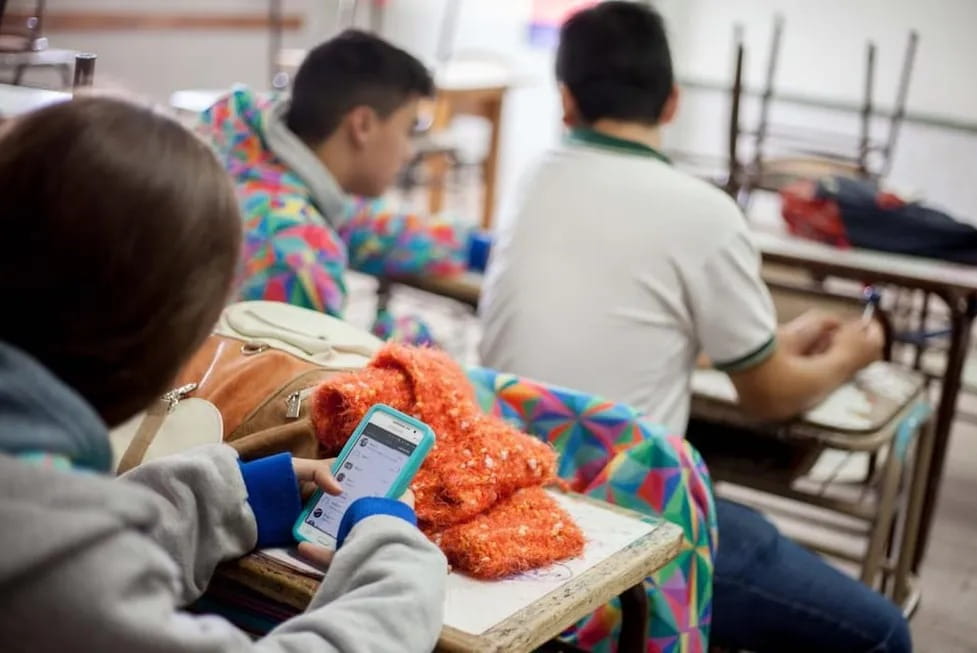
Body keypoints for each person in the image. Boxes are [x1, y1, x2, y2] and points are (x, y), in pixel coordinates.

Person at [478, 3, 910, 652]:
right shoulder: (706, 212)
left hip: (499, 493)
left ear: (565, 101)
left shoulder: (532, 178)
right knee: (883, 632)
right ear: (673, 102)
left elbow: (626, 329)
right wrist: (854, 353)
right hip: (623, 529)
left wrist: (770, 344)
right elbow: (769, 396)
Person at [0, 95, 446, 652]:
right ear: (158, 336)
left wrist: (231, 497)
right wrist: (396, 566)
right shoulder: (52, 566)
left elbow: (70, 540)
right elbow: (73, 574)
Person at [200, 30, 469, 342]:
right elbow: (319, 368)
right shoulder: (294, 253)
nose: (409, 152)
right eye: (408, 130)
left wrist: (472, 246)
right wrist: (406, 338)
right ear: (363, 125)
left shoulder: (246, 152)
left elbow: (359, 223)